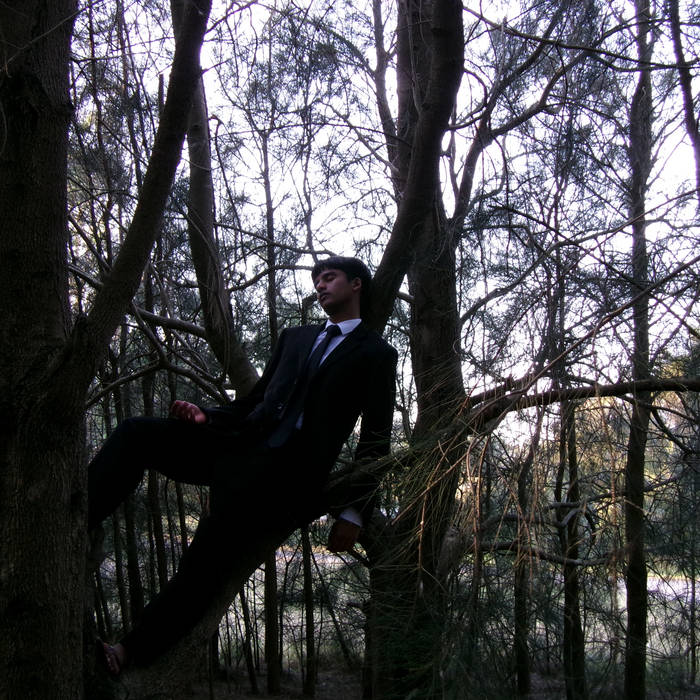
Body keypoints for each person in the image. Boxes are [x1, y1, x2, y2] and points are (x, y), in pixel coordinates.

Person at [89, 256, 397, 675]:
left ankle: (129, 651)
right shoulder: (296, 337)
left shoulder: (377, 354)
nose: (320, 286)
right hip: (234, 442)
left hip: (282, 476)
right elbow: (254, 402)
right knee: (136, 433)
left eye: (329, 278)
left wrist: (354, 511)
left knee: (205, 561)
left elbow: (376, 439)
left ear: (356, 284)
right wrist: (206, 415)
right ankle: (79, 516)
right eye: (316, 281)